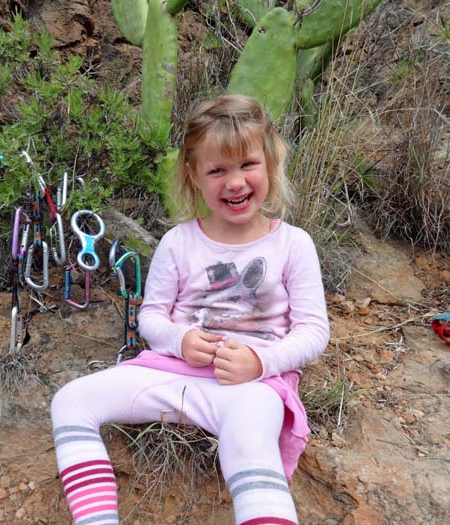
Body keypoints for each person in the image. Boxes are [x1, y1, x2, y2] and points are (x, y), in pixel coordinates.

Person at [50, 93, 330, 525]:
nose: (234, 182)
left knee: (252, 442)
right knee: (71, 401)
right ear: (193, 176)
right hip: (169, 374)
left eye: (247, 165)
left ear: (271, 162)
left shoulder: (292, 244)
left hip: (250, 388)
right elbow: (152, 318)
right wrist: (180, 340)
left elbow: (313, 331)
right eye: (217, 170)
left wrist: (261, 361)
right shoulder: (179, 242)